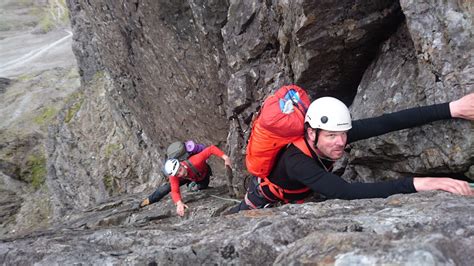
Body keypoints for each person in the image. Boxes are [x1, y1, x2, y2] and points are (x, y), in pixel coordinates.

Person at [230, 93, 474, 212]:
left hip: (301, 191)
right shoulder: (296, 161)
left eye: (343, 134)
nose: (340, 142)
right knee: (236, 219)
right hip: (267, 193)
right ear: (311, 133)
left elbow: (389, 122)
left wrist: (453, 108)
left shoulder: (334, 132)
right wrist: (420, 183)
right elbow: (345, 192)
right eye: (332, 137)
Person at [140, 144, 232, 216]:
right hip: (188, 177)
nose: (180, 173)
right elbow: (175, 191)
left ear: (181, 164)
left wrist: (225, 157)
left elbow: (211, 149)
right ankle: (148, 200)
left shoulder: (196, 161)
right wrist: (179, 203)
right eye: (177, 173)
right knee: (167, 187)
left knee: (202, 187)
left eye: (179, 170)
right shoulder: (176, 175)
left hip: (201, 174)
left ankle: (192, 185)